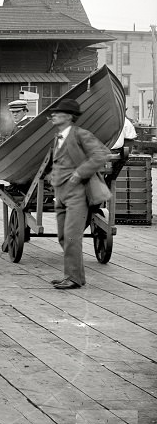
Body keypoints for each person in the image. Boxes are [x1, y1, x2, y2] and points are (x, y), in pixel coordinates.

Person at [45, 98, 111, 290]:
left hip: (78, 194)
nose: (53, 116)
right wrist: (53, 176)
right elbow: (60, 162)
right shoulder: (58, 137)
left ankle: (72, 278)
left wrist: (79, 173)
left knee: (72, 236)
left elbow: (101, 155)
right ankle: (75, 276)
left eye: (57, 113)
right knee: (63, 237)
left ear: (68, 116)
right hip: (61, 193)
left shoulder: (81, 134)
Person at [107, 112, 137, 186]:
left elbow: (128, 143)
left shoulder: (124, 122)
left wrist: (123, 158)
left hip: (114, 153)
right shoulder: (124, 121)